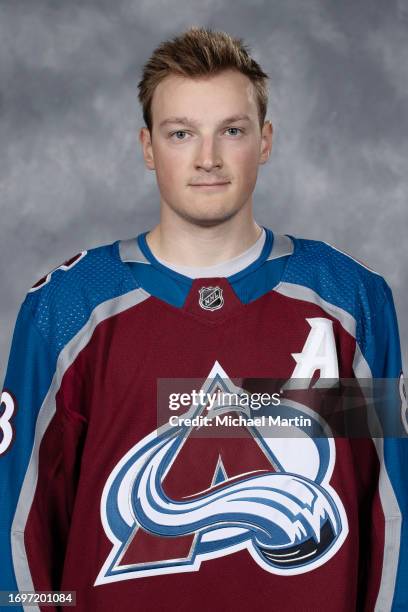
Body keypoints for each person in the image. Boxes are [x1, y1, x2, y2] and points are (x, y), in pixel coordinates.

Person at [0, 26, 406, 612]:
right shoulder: (68, 307)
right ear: (148, 147)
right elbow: (21, 526)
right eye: (181, 133)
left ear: (264, 141)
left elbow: (391, 511)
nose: (208, 158)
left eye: (232, 131)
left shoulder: (349, 298)